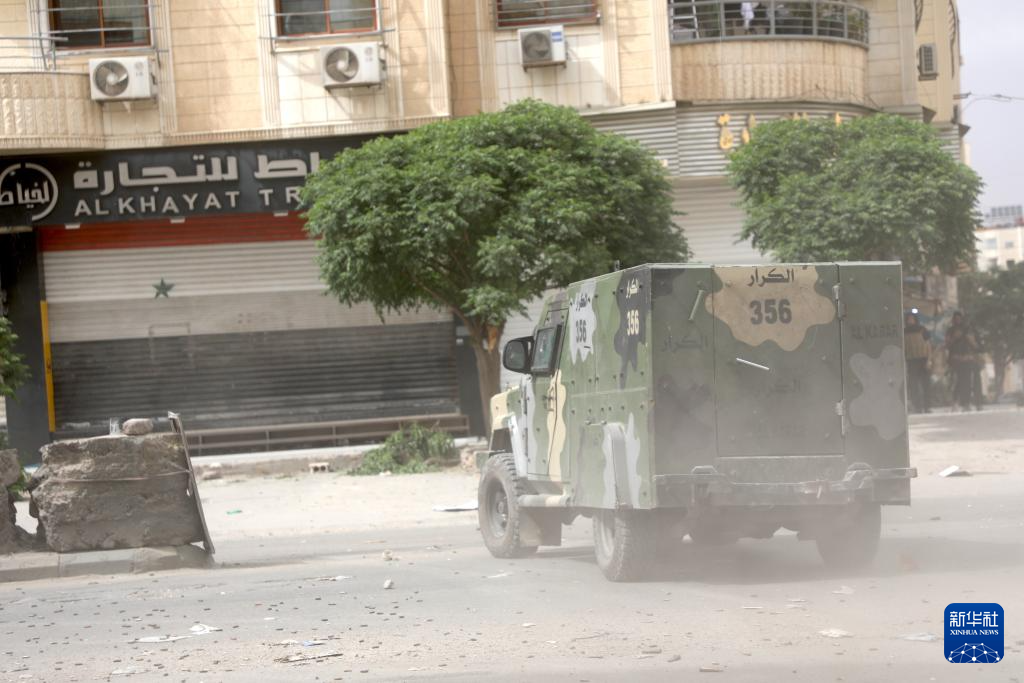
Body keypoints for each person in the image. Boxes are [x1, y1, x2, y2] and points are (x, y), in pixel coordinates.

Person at [945, 312, 979, 412]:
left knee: (967, 381)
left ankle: (966, 403)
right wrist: (954, 338)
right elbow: (947, 345)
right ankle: (955, 402)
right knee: (959, 381)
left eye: (959, 318)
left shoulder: (968, 329)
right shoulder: (950, 330)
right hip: (956, 358)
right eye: (956, 318)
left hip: (967, 358)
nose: (958, 320)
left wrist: (970, 339)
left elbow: (975, 345)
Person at [903, 312, 931, 413]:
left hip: (923, 359)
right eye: (909, 318)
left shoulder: (922, 329)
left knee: (926, 384)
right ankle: (917, 407)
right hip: (911, 360)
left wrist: (929, 360)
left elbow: (928, 344)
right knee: (913, 385)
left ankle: (927, 407)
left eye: (912, 318)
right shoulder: (904, 331)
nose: (910, 320)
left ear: (915, 319)